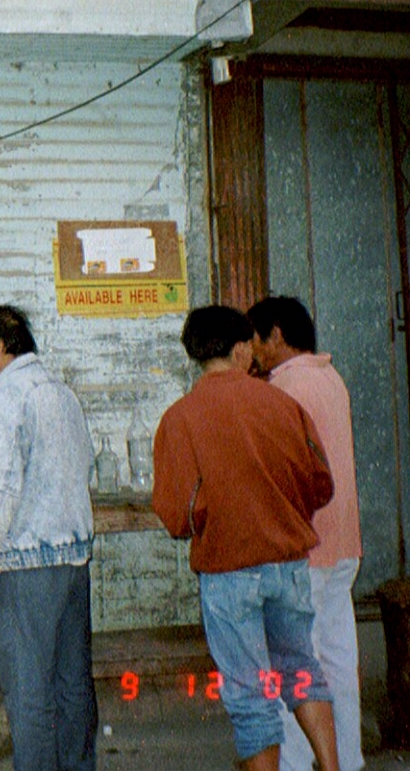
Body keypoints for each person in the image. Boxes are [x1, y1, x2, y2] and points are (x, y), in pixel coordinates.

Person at [152, 305, 339, 771]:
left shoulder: (179, 418)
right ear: (239, 350)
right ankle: (332, 767)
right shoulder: (282, 404)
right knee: (301, 669)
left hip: (228, 571)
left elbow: (177, 514)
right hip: (289, 564)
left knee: (249, 689)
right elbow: (321, 484)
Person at [0, 304, 97, 771]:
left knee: (29, 694)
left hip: (26, 564)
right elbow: (85, 466)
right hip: (72, 560)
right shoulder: (62, 394)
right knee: (72, 685)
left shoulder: (2, 400)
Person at [247, 297, 364, 771]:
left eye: (256, 339)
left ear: (275, 335)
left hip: (305, 547)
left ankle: (295, 763)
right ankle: (348, 758)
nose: (253, 352)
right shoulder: (330, 378)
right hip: (343, 543)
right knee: (338, 660)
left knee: (294, 663)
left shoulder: (284, 388)